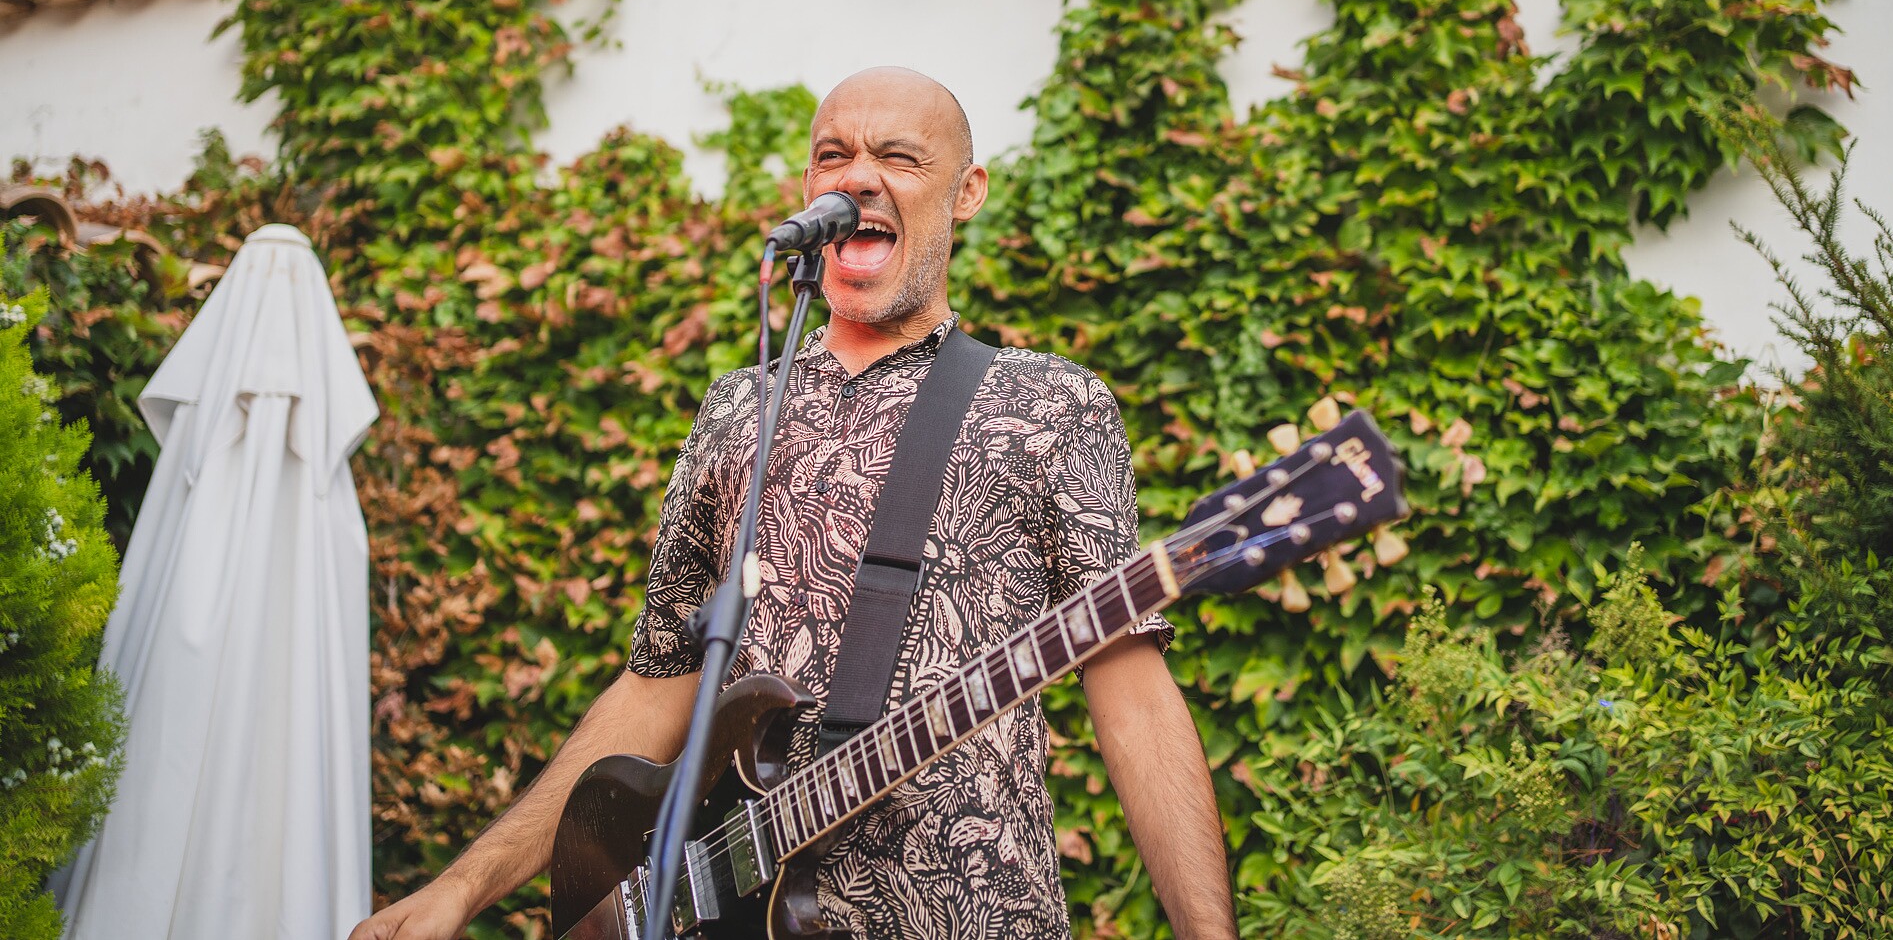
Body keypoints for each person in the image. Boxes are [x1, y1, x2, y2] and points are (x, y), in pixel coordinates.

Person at [350, 67, 1236, 940]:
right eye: (833, 155)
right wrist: (462, 888)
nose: (858, 176)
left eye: (899, 155)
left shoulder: (1049, 404)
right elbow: (661, 681)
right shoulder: (738, 409)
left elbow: (1131, 686)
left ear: (967, 192)